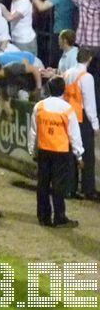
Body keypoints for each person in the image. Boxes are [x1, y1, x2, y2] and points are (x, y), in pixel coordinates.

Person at [28, 77, 84, 228]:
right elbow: (74, 135)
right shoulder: (67, 109)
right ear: (63, 90)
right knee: (59, 186)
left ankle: (43, 216)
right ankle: (59, 216)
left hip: (44, 150)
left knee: (43, 184)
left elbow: (33, 131)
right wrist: (79, 155)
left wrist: (32, 149)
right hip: (60, 151)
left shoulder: (39, 106)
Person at [63, 49, 98, 199]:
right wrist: (95, 124)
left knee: (71, 152)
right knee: (87, 154)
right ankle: (88, 188)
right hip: (82, 118)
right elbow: (89, 103)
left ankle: (70, 187)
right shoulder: (86, 77)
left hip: (68, 115)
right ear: (89, 59)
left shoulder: (67, 73)